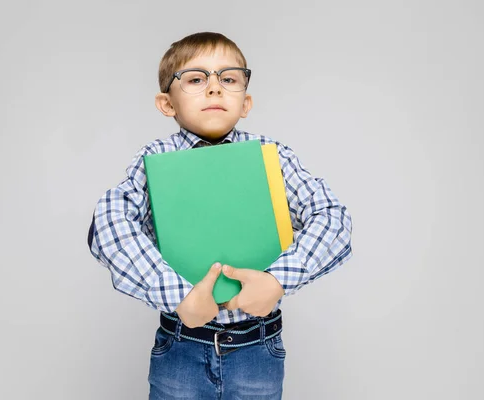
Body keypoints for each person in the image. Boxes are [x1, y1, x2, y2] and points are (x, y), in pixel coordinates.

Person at [87, 31, 353, 399]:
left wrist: (277, 281)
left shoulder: (270, 156)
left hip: (258, 349)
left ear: (245, 102)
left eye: (228, 79)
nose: (214, 88)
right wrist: (178, 296)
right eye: (195, 79)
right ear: (167, 103)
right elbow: (109, 225)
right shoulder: (154, 161)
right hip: (181, 347)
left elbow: (333, 218)